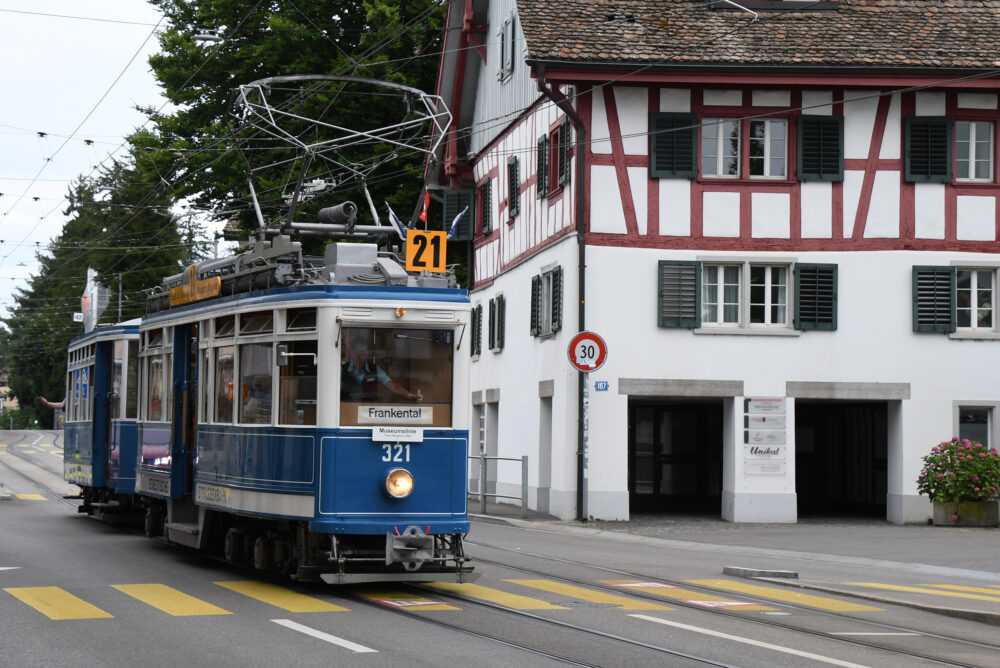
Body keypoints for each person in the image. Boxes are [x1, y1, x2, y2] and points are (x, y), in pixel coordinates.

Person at [341, 332, 421, 402]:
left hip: (368, 413)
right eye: (359, 352)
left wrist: (408, 395)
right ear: (352, 352)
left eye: (364, 352)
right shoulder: (342, 369)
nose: (361, 356)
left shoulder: (374, 369)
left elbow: (393, 386)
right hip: (347, 410)